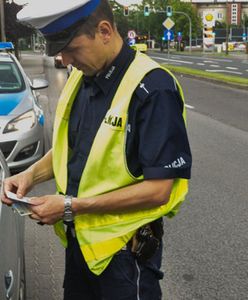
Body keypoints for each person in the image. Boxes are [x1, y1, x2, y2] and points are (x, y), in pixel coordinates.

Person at [1, 0, 192, 299]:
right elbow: (73, 149)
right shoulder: (82, 76)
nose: (64, 60)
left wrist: (68, 206)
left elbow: (159, 190)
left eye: (71, 49)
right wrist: (29, 176)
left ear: (104, 31)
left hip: (126, 259)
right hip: (82, 250)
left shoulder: (154, 89)